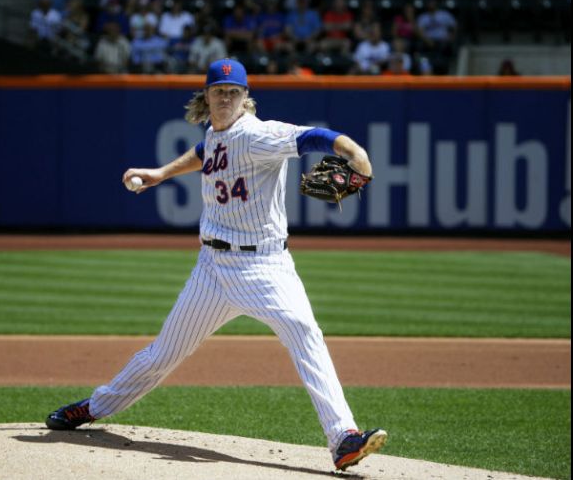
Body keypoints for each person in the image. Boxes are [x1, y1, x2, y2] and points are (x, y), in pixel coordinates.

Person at [45, 58, 388, 472]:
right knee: (161, 356)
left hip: (265, 267)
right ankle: (93, 408)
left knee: (304, 334)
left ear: (246, 99)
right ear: (206, 97)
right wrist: (161, 173)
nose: (226, 98)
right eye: (218, 91)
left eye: (233, 92)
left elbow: (314, 138)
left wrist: (353, 152)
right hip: (211, 268)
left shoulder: (260, 135)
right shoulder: (213, 132)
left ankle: (343, 438)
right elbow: (203, 152)